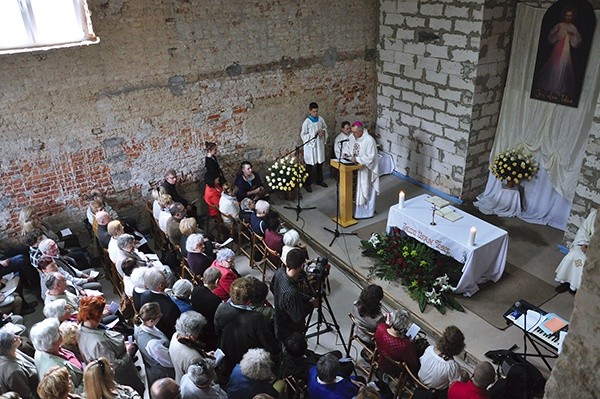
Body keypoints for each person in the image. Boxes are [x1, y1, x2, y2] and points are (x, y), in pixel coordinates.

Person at [77, 296, 144, 395]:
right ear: (96, 315)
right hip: (123, 377)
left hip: (116, 357)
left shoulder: (81, 327)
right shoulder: (98, 343)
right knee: (138, 391)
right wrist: (129, 352)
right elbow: (115, 367)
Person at [270, 248, 318, 339]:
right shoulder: (291, 293)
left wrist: (306, 298)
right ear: (302, 265)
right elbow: (297, 317)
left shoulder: (279, 272)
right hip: (290, 330)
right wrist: (312, 304)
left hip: (279, 316)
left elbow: (272, 288)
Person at [537, 8, 582, 100]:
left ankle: (558, 87)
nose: (568, 17)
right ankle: (551, 86)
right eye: (567, 15)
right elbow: (550, 37)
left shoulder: (573, 28)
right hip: (557, 49)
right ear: (564, 15)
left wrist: (572, 35)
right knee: (554, 67)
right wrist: (556, 34)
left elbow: (577, 41)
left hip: (566, 51)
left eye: (570, 16)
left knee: (562, 67)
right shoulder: (559, 25)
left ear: (572, 17)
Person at [30, 318, 84, 393]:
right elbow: (72, 393)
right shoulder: (56, 368)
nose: (61, 331)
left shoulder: (42, 349)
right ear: (52, 342)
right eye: (58, 331)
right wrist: (88, 380)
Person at [555, 208, 597, 293]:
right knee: (575, 255)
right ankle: (568, 281)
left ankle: (578, 287)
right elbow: (583, 230)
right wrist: (584, 243)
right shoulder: (595, 215)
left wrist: (592, 249)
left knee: (585, 260)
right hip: (587, 245)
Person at [134, 302, 175, 388]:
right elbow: (169, 361)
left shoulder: (138, 326)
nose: (161, 315)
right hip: (163, 372)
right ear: (151, 321)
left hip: (151, 363)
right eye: (159, 315)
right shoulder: (153, 344)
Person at [419, 325, 466, 393]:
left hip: (419, 382)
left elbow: (421, 361)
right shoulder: (452, 366)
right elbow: (455, 386)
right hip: (434, 393)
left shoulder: (429, 349)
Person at [373, 309, 420, 376]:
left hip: (381, 360)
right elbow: (413, 364)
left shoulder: (381, 328)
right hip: (394, 370)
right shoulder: (406, 345)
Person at [348, 121, 379, 219]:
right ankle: (352, 210)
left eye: (355, 132)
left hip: (366, 170)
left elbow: (371, 157)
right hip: (353, 168)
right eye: (352, 132)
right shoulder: (352, 137)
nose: (353, 134)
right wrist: (348, 155)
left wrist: (357, 159)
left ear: (361, 131)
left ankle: (366, 213)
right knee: (353, 190)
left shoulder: (369, 140)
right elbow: (349, 148)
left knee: (365, 191)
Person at [169, 311, 210, 383]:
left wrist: (205, 354)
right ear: (192, 336)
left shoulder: (175, 335)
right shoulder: (194, 358)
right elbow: (201, 380)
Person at [140, 268, 181, 338]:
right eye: (165, 278)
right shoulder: (171, 308)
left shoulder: (144, 295)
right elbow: (178, 327)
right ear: (161, 286)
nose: (167, 279)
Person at [190, 267, 222, 351]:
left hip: (198, 325)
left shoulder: (196, 289)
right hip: (210, 330)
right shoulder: (215, 300)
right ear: (217, 281)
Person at [0, 332, 38, 399]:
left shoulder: (13, 350)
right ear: (8, 346)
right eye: (14, 339)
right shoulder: (14, 372)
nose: (18, 337)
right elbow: (26, 396)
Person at [300, 102, 328, 192]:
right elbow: (303, 135)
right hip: (311, 147)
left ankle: (320, 180)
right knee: (310, 165)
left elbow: (325, 127)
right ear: (310, 111)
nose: (315, 113)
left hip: (319, 144)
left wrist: (323, 132)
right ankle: (307, 184)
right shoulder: (306, 122)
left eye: (316, 111)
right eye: (313, 112)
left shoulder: (320, 119)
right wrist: (313, 134)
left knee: (319, 163)